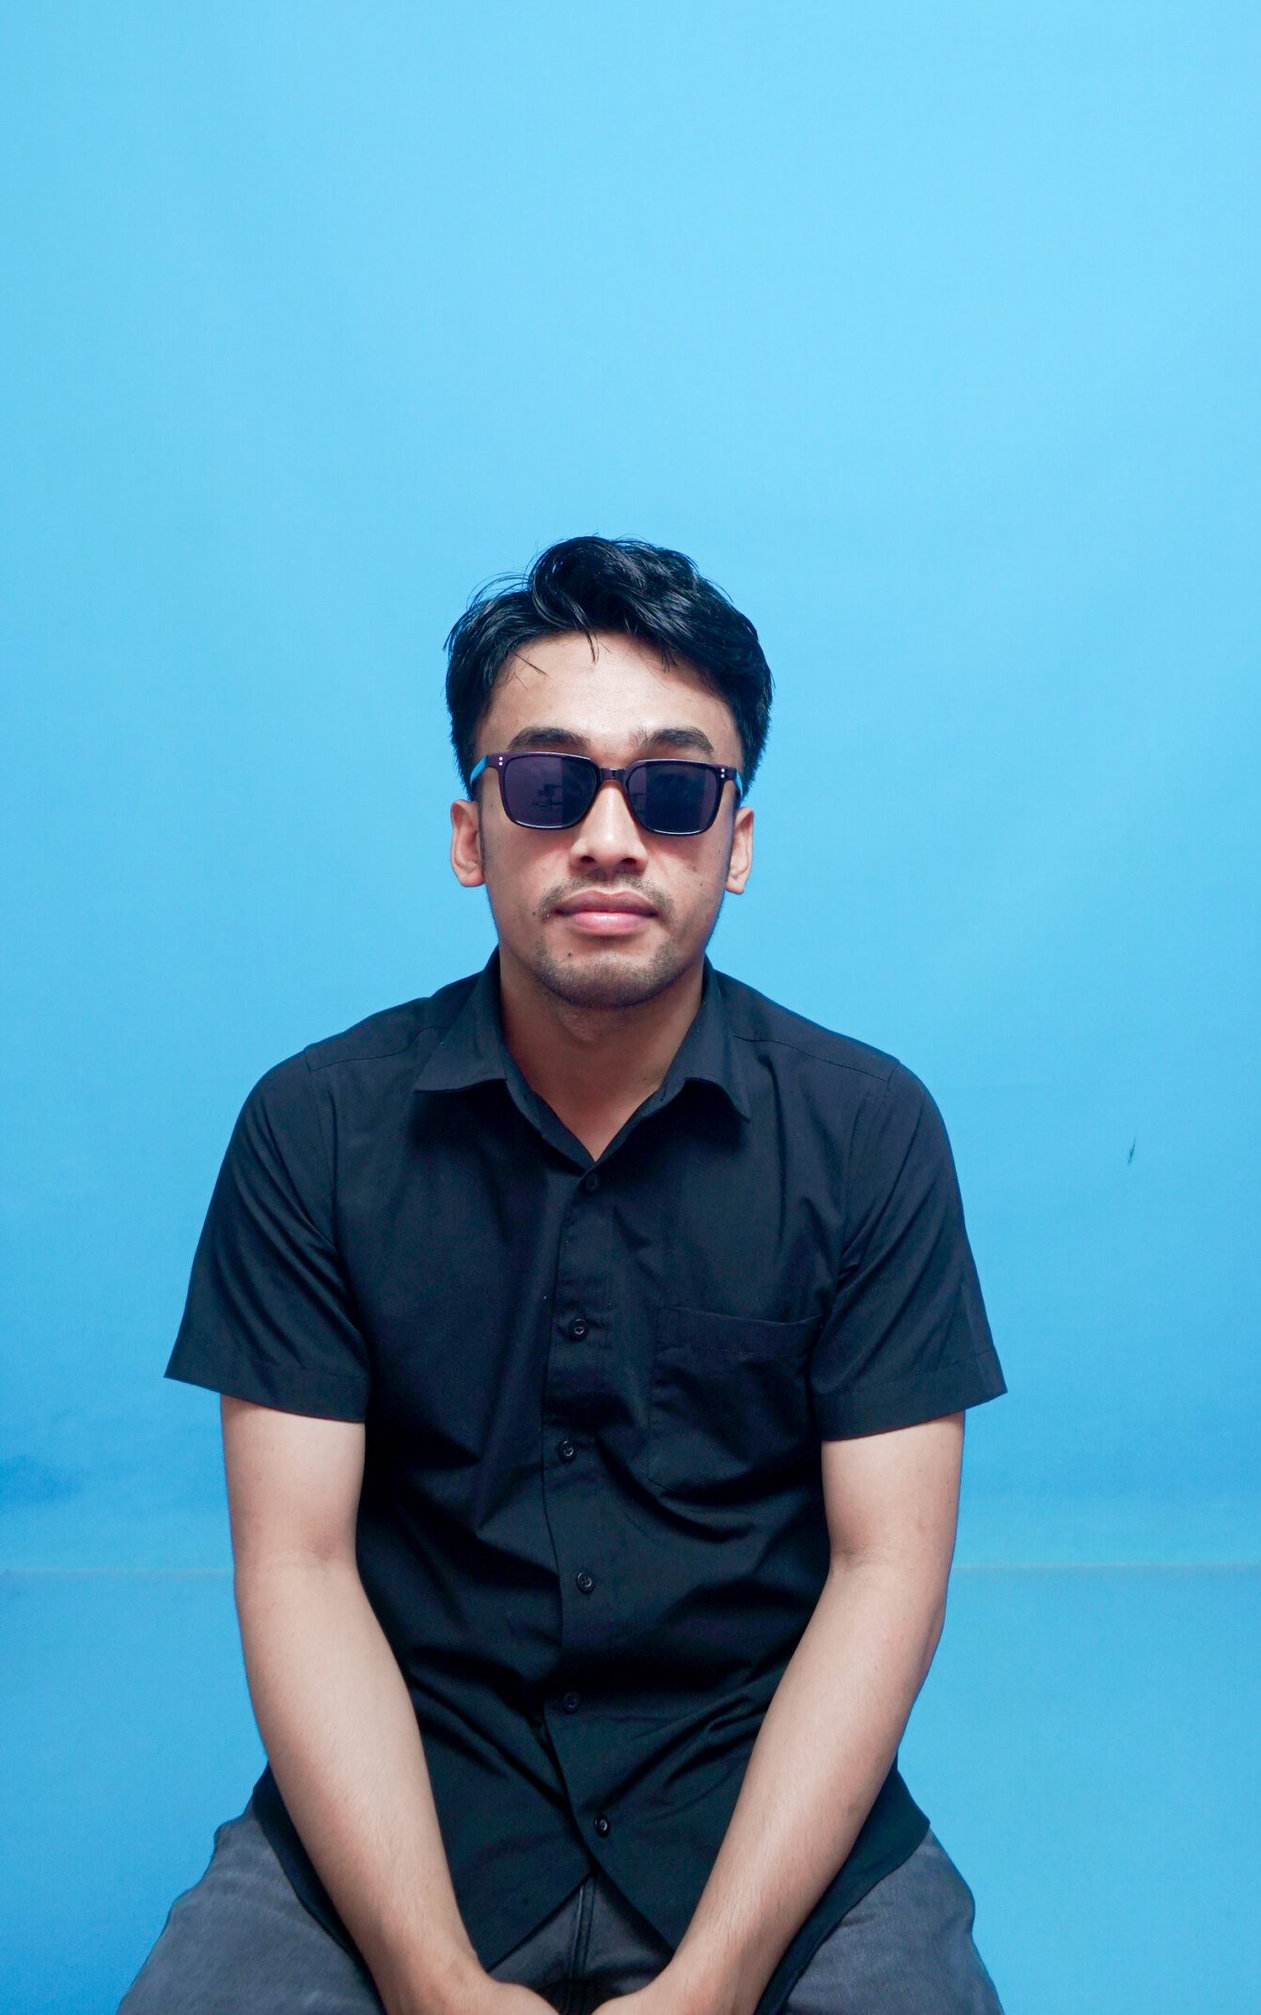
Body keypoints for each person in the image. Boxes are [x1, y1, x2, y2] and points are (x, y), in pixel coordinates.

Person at [121, 536, 1008, 2015]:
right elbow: (300, 1563)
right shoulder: (314, 1126)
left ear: (736, 840)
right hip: (414, 1779)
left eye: (672, 789)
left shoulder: (867, 1131)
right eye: (547, 783)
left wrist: (717, 1977)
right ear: (472, 831)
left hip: (757, 1783)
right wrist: (426, 1974)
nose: (608, 837)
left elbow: (885, 1568)